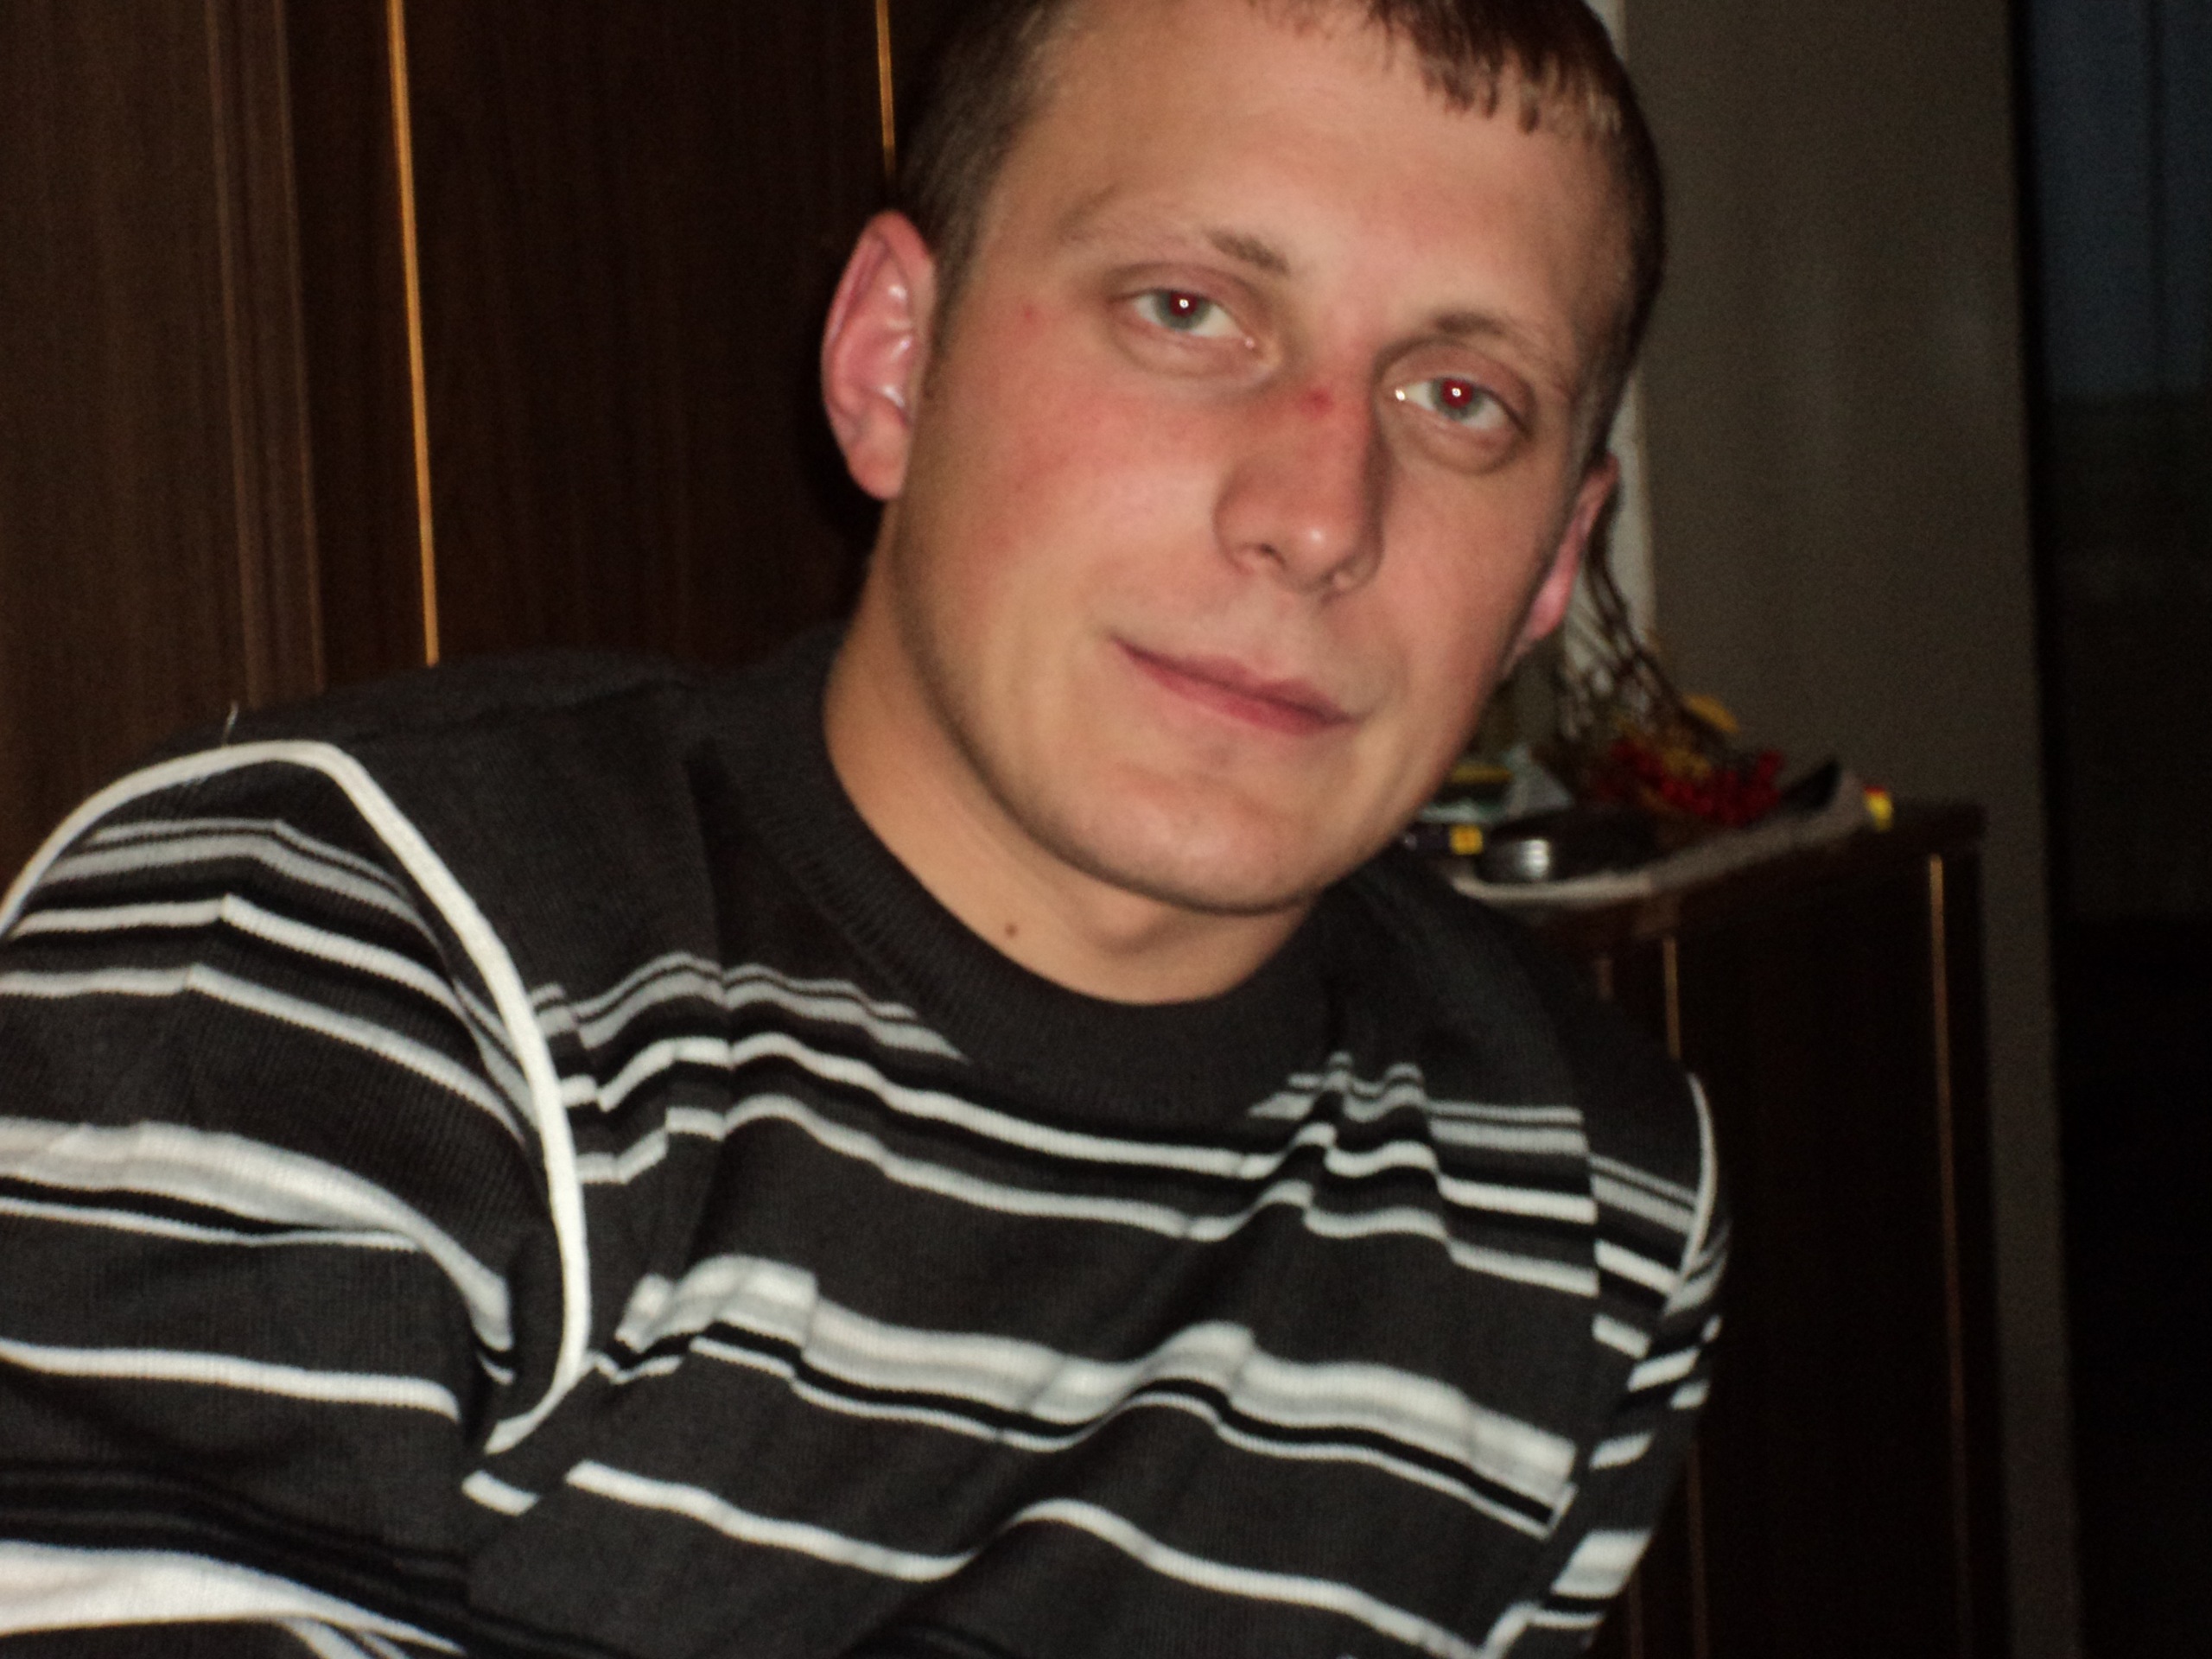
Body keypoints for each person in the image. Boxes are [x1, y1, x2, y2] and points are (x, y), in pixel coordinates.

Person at [0, 0, 1721, 1653]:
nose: (1317, 514)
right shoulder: (317, 950)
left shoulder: (1581, 1207)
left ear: (1553, 563)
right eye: (1187, 310)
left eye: (1459, 398)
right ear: (894, 363)